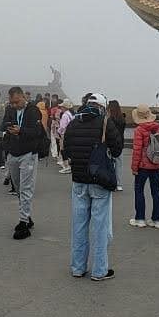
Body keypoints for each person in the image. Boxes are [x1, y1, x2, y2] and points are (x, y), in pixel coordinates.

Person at [63, 93, 121, 281]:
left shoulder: (74, 122)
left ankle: (78, 267)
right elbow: (117, 149)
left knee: (79, 226)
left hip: (79, 180)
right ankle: (99, 270)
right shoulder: (105, 122)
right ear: (102, 107)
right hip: (99, 180)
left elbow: (66, 149)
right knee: (100, 227)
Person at [1, 86, 48, 239]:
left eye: (16, 102)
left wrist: (21, 130)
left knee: (26, 188)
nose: (14, 105)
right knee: (19, 187)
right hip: (12, 152)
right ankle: (26, 216)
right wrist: (9, 128)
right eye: (11, 103)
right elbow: (2, 125)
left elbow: (38, 132)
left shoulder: (33, 111)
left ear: (22, 97)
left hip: (28, 153)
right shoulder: (9, 110)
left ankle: (23, 222)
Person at [128, 105, 159, 229]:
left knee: (139, 191)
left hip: (143, 166)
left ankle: (140, 219)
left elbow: (137, 150)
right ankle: (157, 220)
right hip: (156, 163)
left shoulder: (139, 130)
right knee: (156, 191)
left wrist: (134, 167)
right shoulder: (157, 128)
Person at [106, 100, 127, 190]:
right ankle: (119, 184)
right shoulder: (122, 119)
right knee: (119, 164)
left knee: (109, 164)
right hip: (120, 143)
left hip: (109, 143)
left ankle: (111, 182)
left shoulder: (109, 119)